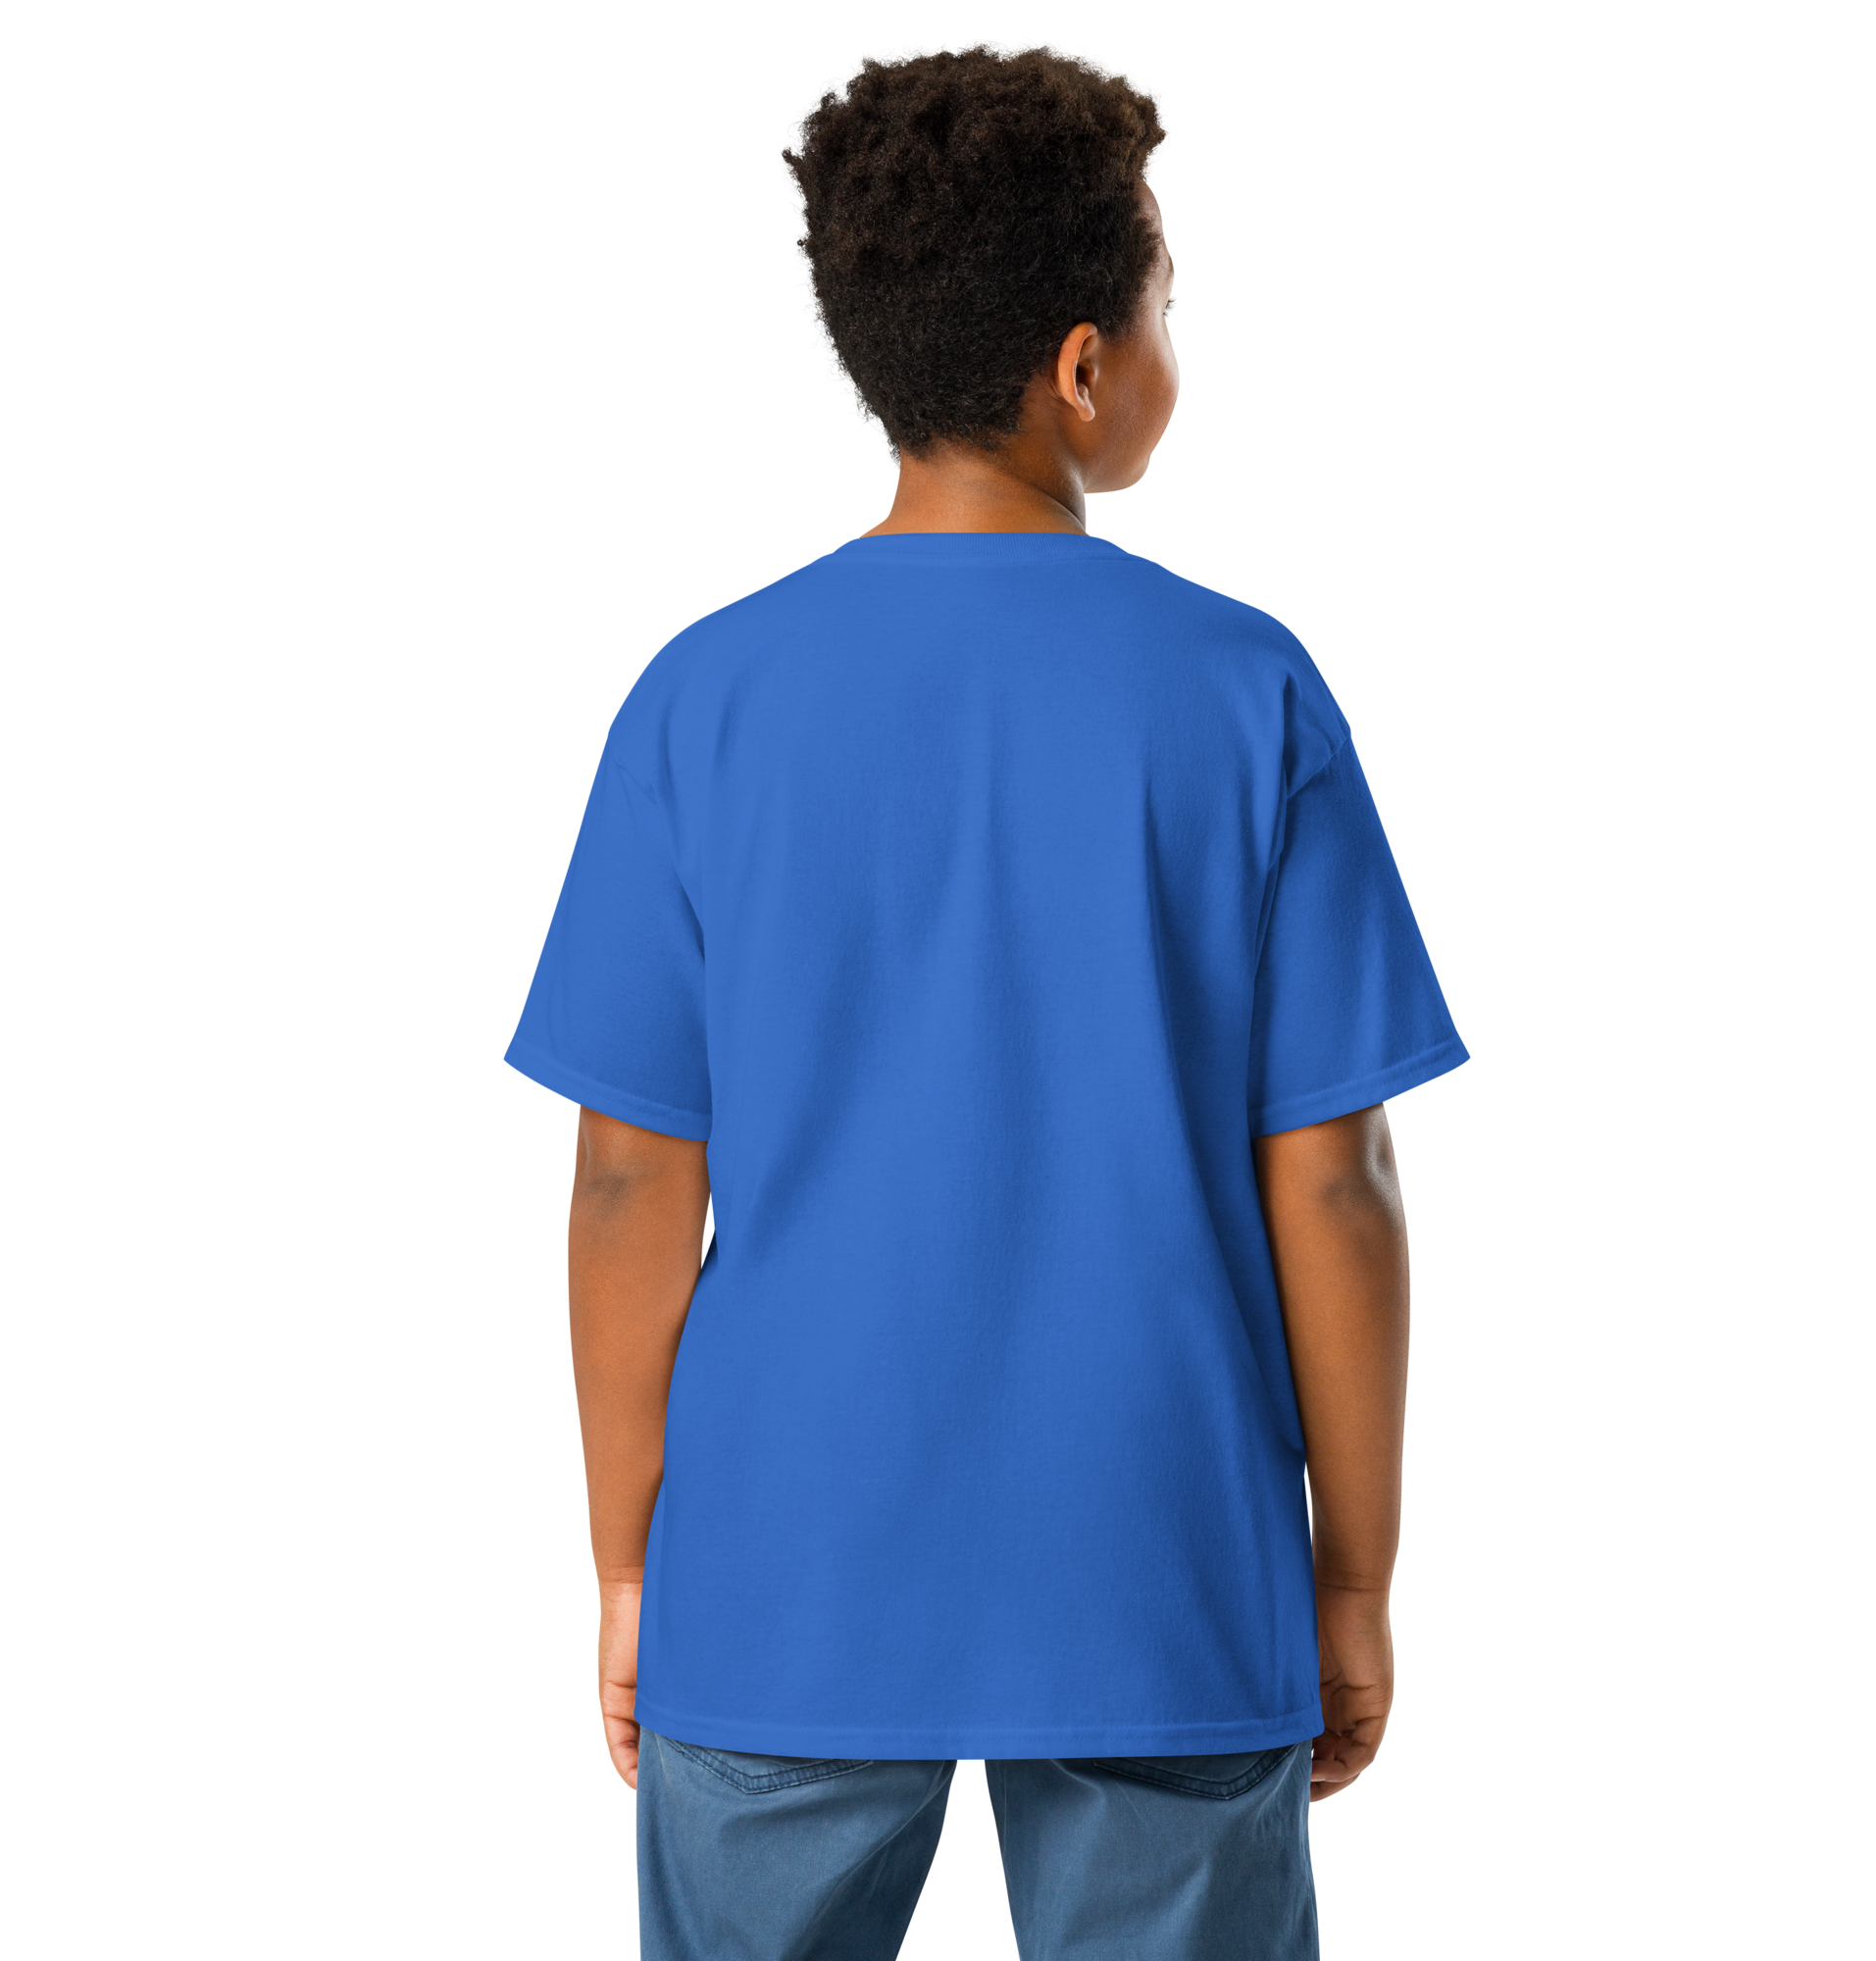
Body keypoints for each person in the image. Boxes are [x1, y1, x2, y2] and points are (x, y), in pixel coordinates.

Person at [504, 36, 1468, 1960]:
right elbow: (1334, 1178)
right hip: (1163, 1566)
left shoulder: (701, 696)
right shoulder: (1247, 693)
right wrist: (1353, 1583)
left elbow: (626, 1178)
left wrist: (629, 1568)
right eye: (1171, 307)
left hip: (781, 1569)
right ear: (1083, 368)